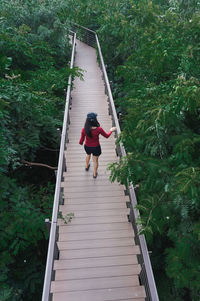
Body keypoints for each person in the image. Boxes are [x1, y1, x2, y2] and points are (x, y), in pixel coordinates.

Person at [79, 112, 116, 178]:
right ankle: (95, 174)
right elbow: (107, 136)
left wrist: (81, 143)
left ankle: (87, 167)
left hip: (87, 146)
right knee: (95, 160)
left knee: (88, 155)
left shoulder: (84, 129)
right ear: (95, 120)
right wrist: (111, 130)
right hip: (96, 147)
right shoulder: (99, 129)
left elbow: (81, 141)